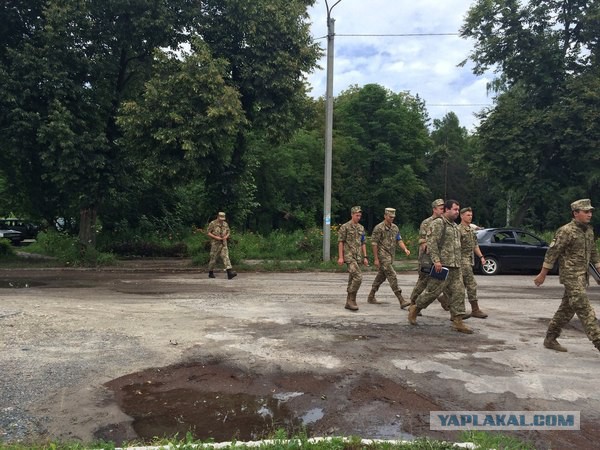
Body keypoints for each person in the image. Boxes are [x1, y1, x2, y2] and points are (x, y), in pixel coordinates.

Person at [534, 199, 600, 353]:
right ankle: (598, 340)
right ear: (575, 213)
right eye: (586, 212)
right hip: (570, 276)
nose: (589, 214)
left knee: (567, 309)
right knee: (584, 308)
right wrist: (542, 274)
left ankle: (550, 338)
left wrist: (598, 272)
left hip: (583, 276)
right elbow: (552, 253)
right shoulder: (566, 231)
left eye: (590, 211)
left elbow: (593, 253)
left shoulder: (589, 230)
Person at [408, 199, 473, 334]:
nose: (457, 212)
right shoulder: (438, 223)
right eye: (455, 209)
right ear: (447, 210)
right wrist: (436, 261)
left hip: (455, 266)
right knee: (432, 292)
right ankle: (415, 308)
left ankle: (458, 321)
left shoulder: (455, 226)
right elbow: (431, 242)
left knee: (459, 292)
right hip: (442, 266)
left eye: (457, 209)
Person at [409, 198, 450, 312]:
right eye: (441, 208)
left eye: (444, 208)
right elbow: (422, 240)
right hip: (427, 258)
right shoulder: (427, 222)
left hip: (442, 257)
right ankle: (413, 302)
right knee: (423, 281)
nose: (443, 210)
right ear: (434, 209)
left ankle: (446, 301)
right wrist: (427, 248)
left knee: (445, 280)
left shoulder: (446, 222)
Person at [367, 208, 411, 308]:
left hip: (390, 256)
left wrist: (405, 249)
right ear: (385, 216)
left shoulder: (395, 228)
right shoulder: (379, 228)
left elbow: (399, 240)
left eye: (393, 217)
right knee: (392, 275)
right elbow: (374, 244)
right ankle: (401, 300)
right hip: (382, 256)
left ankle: (371, 296)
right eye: (390, 217)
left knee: (381, 277)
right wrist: (376, 259)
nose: (392, 219)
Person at [458, 207, 488, 318]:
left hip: (469, 260)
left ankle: (445, 299)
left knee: (465, 285)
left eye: (471, 215)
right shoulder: (458, 230)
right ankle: (474, 309)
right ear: (461, 216)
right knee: (469, 285)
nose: (470, 217)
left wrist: (481, 257)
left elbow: (475, 245)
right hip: (461, 261)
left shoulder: (471, 230)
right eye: (468, 215)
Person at [338, 206, 369, 311]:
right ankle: (351, 299)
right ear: (352, 215)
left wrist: (365, 257)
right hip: (349, 256)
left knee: (352, 279)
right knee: (358, 277)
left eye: (360, 215)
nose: (358, 217)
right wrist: (341, 257)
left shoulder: (361, 228)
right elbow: (341, 242)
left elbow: (363, 243)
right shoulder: (345, 227)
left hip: (358, 257)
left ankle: (350, 301)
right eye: (357, 215)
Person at [207, 212, 237, 280]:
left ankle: (229, 273)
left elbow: (228, 231)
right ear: (217, 217)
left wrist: (226, 236)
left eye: (223, 218)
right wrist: (215, 237)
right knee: (213, 258)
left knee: (226, 257)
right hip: (215, 243)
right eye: (220, 218)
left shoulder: (225, 224)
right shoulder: (213, 223)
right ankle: (210, 272)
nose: (222, 220)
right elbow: (208, 232)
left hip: (223, 243)